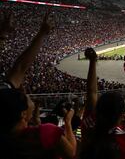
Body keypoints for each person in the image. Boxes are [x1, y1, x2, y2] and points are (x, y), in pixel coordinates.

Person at [0, 12, 77, 159]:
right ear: (23, 114)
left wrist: (2, 36)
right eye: (25, 97)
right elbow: (71, 153)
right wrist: (67, 122)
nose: (25, 91)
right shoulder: (42, 133)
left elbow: (19, 70)